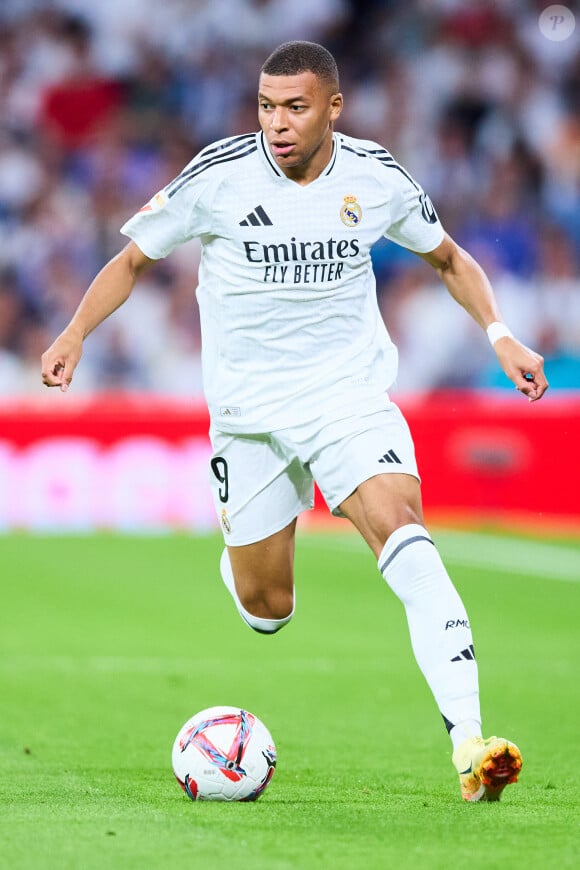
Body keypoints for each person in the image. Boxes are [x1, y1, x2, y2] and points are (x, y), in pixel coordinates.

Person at [41, 40, 548, 802]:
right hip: (249, 419)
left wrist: (499, 334)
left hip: (347, 400)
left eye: (295, 107)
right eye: (266, 106)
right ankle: (244, 563)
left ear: (333, 108)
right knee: (267, 609)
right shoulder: (217, 177)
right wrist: (75, 332)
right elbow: (133, 262)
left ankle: (470, 745)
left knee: (407, 536)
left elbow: (449, 258)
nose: (277, 123)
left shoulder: (376, 179)